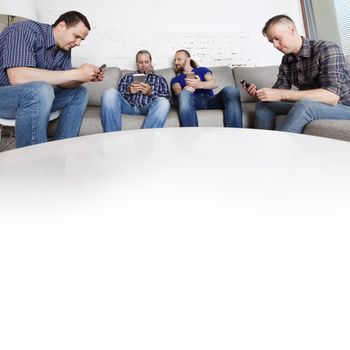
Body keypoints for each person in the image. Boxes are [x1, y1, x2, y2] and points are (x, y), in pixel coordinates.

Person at [0, 11, 104, 148]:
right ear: (61, 26)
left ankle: (59, 152)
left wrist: (83, 78)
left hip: (34, 98)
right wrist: (76, 73)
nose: (78, 43)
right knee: (41, 89)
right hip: (5, 96)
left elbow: (63, 83)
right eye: (76, 36)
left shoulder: (64, 47)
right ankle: (33, 163)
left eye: (81, 40)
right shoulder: (23, 30)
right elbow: (18, 77)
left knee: (79, 93)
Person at [243, 14, 350, 133]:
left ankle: (274, 150)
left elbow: (332, 97)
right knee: (263, 106)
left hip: (344, 107)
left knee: (304, 105)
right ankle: (264, 144)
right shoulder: (286, 60)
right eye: (271, 42)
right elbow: (278, 93)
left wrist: (282, 94)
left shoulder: (327, 49)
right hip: (314, 105)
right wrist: (262, 94)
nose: (275, 45)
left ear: (292, 30)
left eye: (277, 38)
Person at [100, 50, 170, 132]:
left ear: (151, 62)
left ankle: (146, 138)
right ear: (136, 63)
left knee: (163, 102)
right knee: (110, 93)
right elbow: (115, 98)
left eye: (146, 62)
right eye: (140, 62)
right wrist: (128, 91)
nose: (143, 65)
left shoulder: (159, 79)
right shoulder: (127, 77)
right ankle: (112, 138)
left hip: (147, 108)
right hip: (129, 107)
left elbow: (167, 100)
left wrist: (150, 93)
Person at [170, 49, 242, 128]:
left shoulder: (202, 70)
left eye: (179, 59)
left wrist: (199, 84)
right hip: (193, 102)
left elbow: (214, 83)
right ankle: (190, 136)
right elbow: (178, 92)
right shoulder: (175, 79)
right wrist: (186, 91)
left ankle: (235, 134)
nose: (176, 62)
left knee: (231, 90)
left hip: (211, 100)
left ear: (188, 60)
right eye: (175, 60)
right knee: (184, 95)